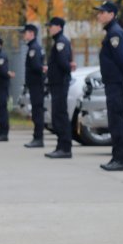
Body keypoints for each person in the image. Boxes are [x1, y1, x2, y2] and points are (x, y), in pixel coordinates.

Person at [95, 1, 123, 171]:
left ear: (111, 14)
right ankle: (116, 157)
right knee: (114, 121)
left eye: (102, 12)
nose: (99, 15)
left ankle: (121, 160)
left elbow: (121, 59)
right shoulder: (111, 32)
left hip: (116, 83)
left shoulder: (115, 34)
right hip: (112, 82)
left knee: (117, 121)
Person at [45, 17, 73, 159]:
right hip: (57, 83)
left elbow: (63, 63)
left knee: (60, 115)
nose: (49, 28)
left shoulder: (61, 42)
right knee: (58, 115)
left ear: (59, 27)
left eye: (51, 26)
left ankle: (65, 148)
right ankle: (60, 146)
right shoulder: (58, 41)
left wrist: (68, 68)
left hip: (60, 83)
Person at [22, 24, 45, 148]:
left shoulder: (33, 48)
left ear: (32, 34)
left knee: (37, 111)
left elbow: (36, 67)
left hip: (36, 84)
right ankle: (37, 137)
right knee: (37, 110)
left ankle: (38, 138)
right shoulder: (34, 47)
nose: (24, 35)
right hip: (36, 84)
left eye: (25, 33)